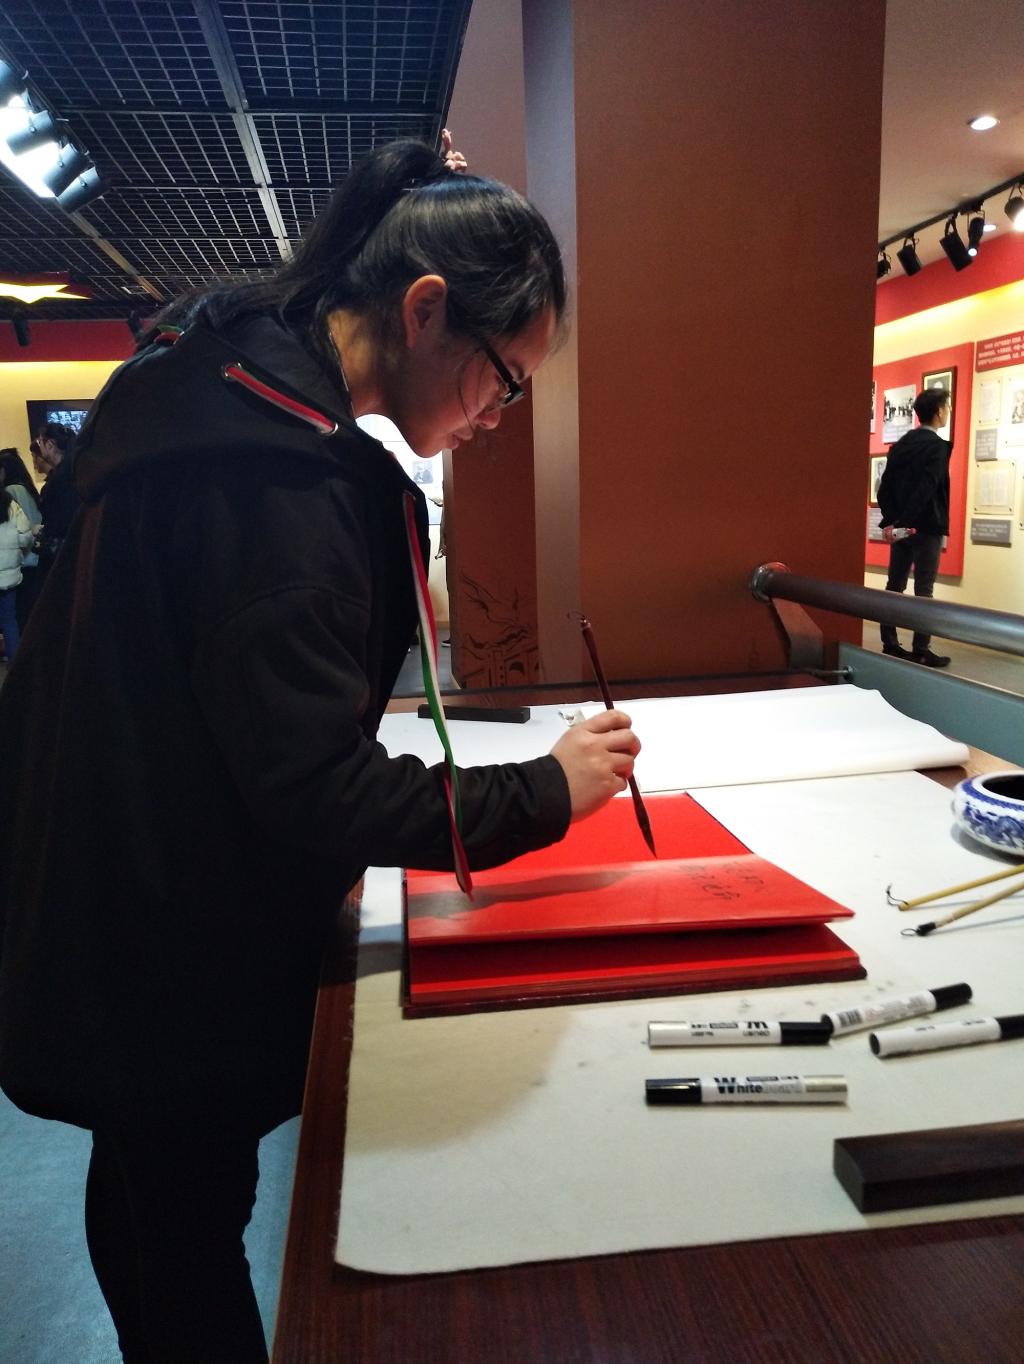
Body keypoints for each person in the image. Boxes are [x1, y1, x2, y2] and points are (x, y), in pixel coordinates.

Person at [0, 137, 640, 1362]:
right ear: (424, 309)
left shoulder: (215, 385)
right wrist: (545, 790)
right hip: (167, 933)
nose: (495, 417)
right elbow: (317, 791)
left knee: (145, 1193)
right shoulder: (275, 486)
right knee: (190, 1227)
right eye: (503, 381)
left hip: (101, 887)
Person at [876, 386, 952, 668]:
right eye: (947, 407)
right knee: (924, 590)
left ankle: (890, 642)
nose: (948, 412)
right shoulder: (936, 447)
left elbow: (885, 488)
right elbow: (928, 487)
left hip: (901, 528)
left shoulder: (903, 444)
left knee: (894, 586)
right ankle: (921, 648)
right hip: (927, 527)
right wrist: (909, 520)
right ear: (939, 412)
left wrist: (894, 521)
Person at [29, 421, 81, 614]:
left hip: (61, 557)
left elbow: (57, 522)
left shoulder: (58, 481)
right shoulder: (76, 471)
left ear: (50, 445)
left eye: (40, 443)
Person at [0, 447, 42, 631]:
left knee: (16, 617)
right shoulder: (25, 487)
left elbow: (22, 531)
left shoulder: (11, 491)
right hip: (33, 556)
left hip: (24, 560)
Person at [0, 482, 33, 661]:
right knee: (9, 621)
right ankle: (14, 664)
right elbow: (25, 537)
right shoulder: (11, 505)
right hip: (9, 577)